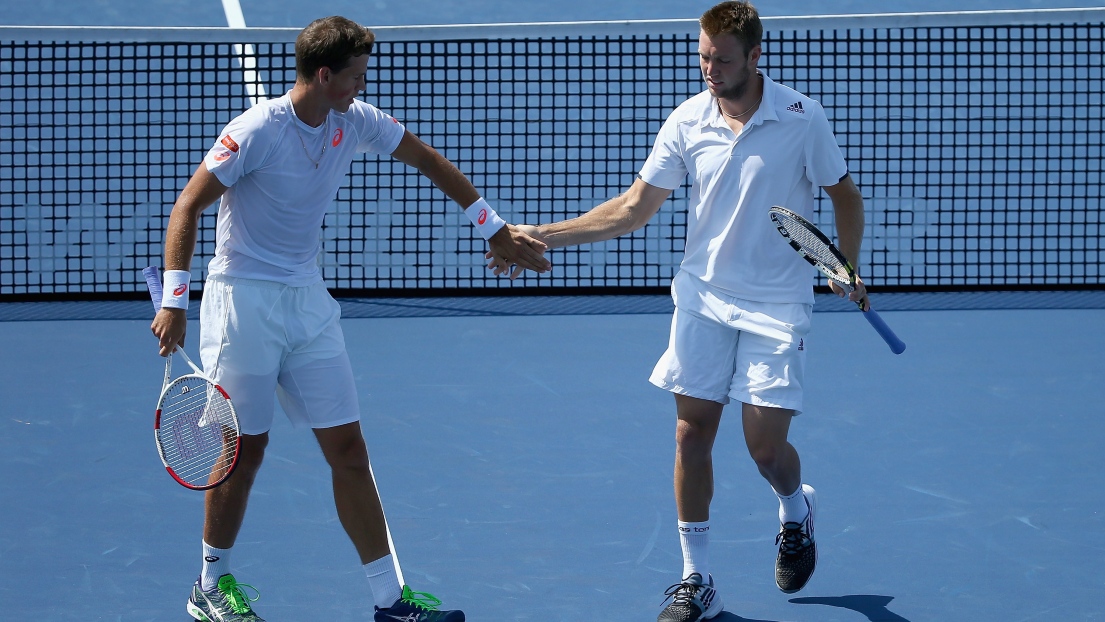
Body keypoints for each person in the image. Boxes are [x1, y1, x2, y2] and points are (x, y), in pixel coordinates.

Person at [149, 15, 550, 622]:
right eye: (356, 75)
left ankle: (390, 600)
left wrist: (493, 230)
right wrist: (176, 298)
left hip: (307, 303)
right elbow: (187, 206)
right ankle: (209, 585)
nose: (363, 85)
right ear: (323, 73)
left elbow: (428, 159)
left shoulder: (355, 121)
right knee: (242, 453)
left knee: (349, 449)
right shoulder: (256, 130)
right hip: (243, 302)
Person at [493, 2, 868, 620]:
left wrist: (845, 265)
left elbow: (844, 198)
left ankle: (796, 509)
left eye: (722, 58)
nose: (709, 68)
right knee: (691, 435)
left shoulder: (804, 118)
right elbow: (634, 208)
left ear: (754, 56)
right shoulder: (687, 120)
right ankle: (698, 580)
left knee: (765, 450)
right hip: (703, 299)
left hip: (778, 306)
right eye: (702, 56)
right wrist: (543, 234)